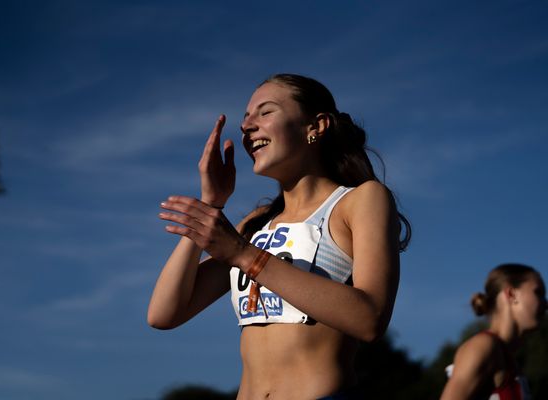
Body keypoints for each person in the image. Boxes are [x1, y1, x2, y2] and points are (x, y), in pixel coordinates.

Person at [147, 73, 410, 399]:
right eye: (245, 118)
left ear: (316, 127)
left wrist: (245, 256)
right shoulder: (255, 225)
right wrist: (210, 205)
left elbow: (370, 318)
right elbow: (163, 314)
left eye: (265, 112)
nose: (247, 126)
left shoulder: (359, 200)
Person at [440, 263, 547, 400]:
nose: (546, 302)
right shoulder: (483, 346)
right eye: (538, 293)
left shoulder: (511, 362)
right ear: (511, 294)